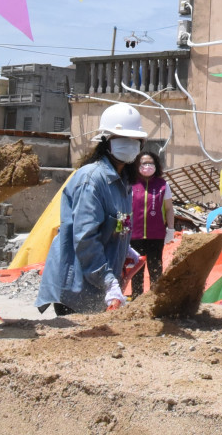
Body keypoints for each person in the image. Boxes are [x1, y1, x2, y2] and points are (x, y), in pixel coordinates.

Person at [36, 103, 147, 315]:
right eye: (122, 139)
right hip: (77, 286)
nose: (129, 144)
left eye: (135, 140)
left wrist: (124, 247)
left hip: (99, 283)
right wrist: (108, 281)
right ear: (105, 141)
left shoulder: (123, 182)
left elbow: (118, 221)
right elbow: (85, 237)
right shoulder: (91, 179)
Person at [129, 150, 173, 295]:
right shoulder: (130, 184)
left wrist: (170, 230)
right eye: (143, 163)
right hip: (134, 235)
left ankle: (155, 298)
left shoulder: (163, 185)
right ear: (137, 165)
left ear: (156, 165)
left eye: (150, 163)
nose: (147, 166)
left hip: (156, 235)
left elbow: (168, 209)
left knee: (156, 268)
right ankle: (136, 298)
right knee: (136, 270)